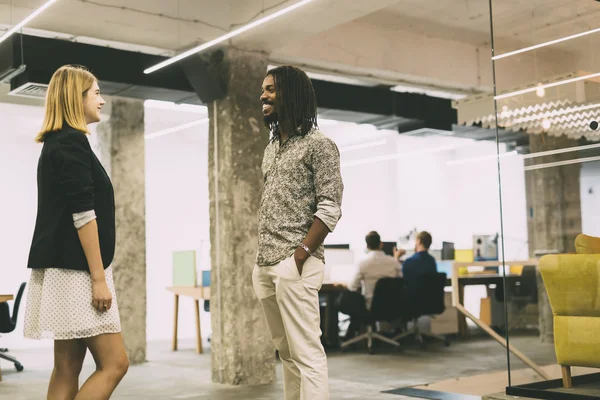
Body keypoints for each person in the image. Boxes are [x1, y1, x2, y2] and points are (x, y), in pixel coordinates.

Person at [23, 65, 129, 400]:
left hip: (64, 271)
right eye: (96, 93)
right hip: (79, 273)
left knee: (67, 366)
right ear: (76, 97)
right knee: (115, 364)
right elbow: (83, 215)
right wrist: (99, 277)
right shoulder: (70, 143)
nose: (102, 100)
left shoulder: (58, 143)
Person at [252, 65, 344, 400]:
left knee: (307, 355)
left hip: (295, 263)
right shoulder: (271, 149)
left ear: (292, 94)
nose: (263, 95)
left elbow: (330, 207)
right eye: (264, 89)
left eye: (272, 89)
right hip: (264, 265)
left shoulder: (320, 145)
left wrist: (300, 255)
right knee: (287, 354)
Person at [402, 231, 438, 298]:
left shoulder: (408, 262)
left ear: (418, 241)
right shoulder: (432, 261)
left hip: (411, 302)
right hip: (428, 302)